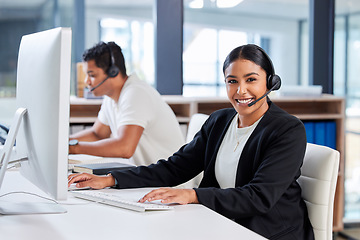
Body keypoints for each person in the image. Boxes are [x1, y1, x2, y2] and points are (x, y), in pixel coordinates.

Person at [68, 44, 315, 239]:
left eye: (251, 80)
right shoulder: (220, 121)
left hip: (266, 231)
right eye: (232, 81)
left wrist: (193, 195)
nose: (241, 91)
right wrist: (111, 179)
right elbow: (175, 167)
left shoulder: (287, 130)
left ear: (270, 82)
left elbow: (259, 197)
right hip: (221, 222)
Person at [69, 41, 184, 166]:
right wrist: (65, 142)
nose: (87, 81)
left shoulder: (136, 93)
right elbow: (97, 134)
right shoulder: (112, 97)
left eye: (92, 75)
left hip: (171, 180)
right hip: (149, 176)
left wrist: (73, 148)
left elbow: (124, 148)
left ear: (113, 72)